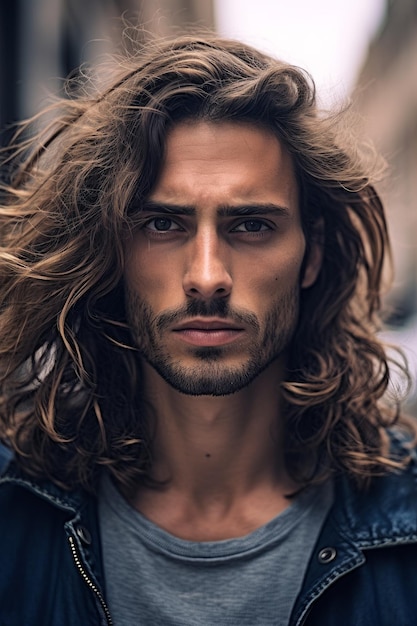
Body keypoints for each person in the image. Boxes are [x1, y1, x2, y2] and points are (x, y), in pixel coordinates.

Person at [0, 32, 416, 626]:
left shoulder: (406, 528)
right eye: (163, 223)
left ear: (313, 253)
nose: (206, 277)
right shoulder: (14, 509)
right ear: (111, 248)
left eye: (250, 225)